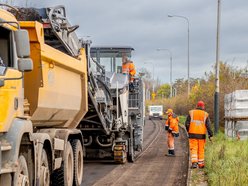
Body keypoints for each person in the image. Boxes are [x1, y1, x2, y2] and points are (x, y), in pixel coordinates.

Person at [185, 101, 213, 169]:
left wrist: (189, 130)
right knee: (201, 149)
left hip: (192, 134)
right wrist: (210, 134)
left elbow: (187, 124)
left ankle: (194, 163)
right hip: (202, 135)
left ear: (196, 106)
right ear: (203, 107)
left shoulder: (191, 113)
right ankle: (201, 164)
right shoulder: (205, 114)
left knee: (194, 148)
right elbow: (208, 126)